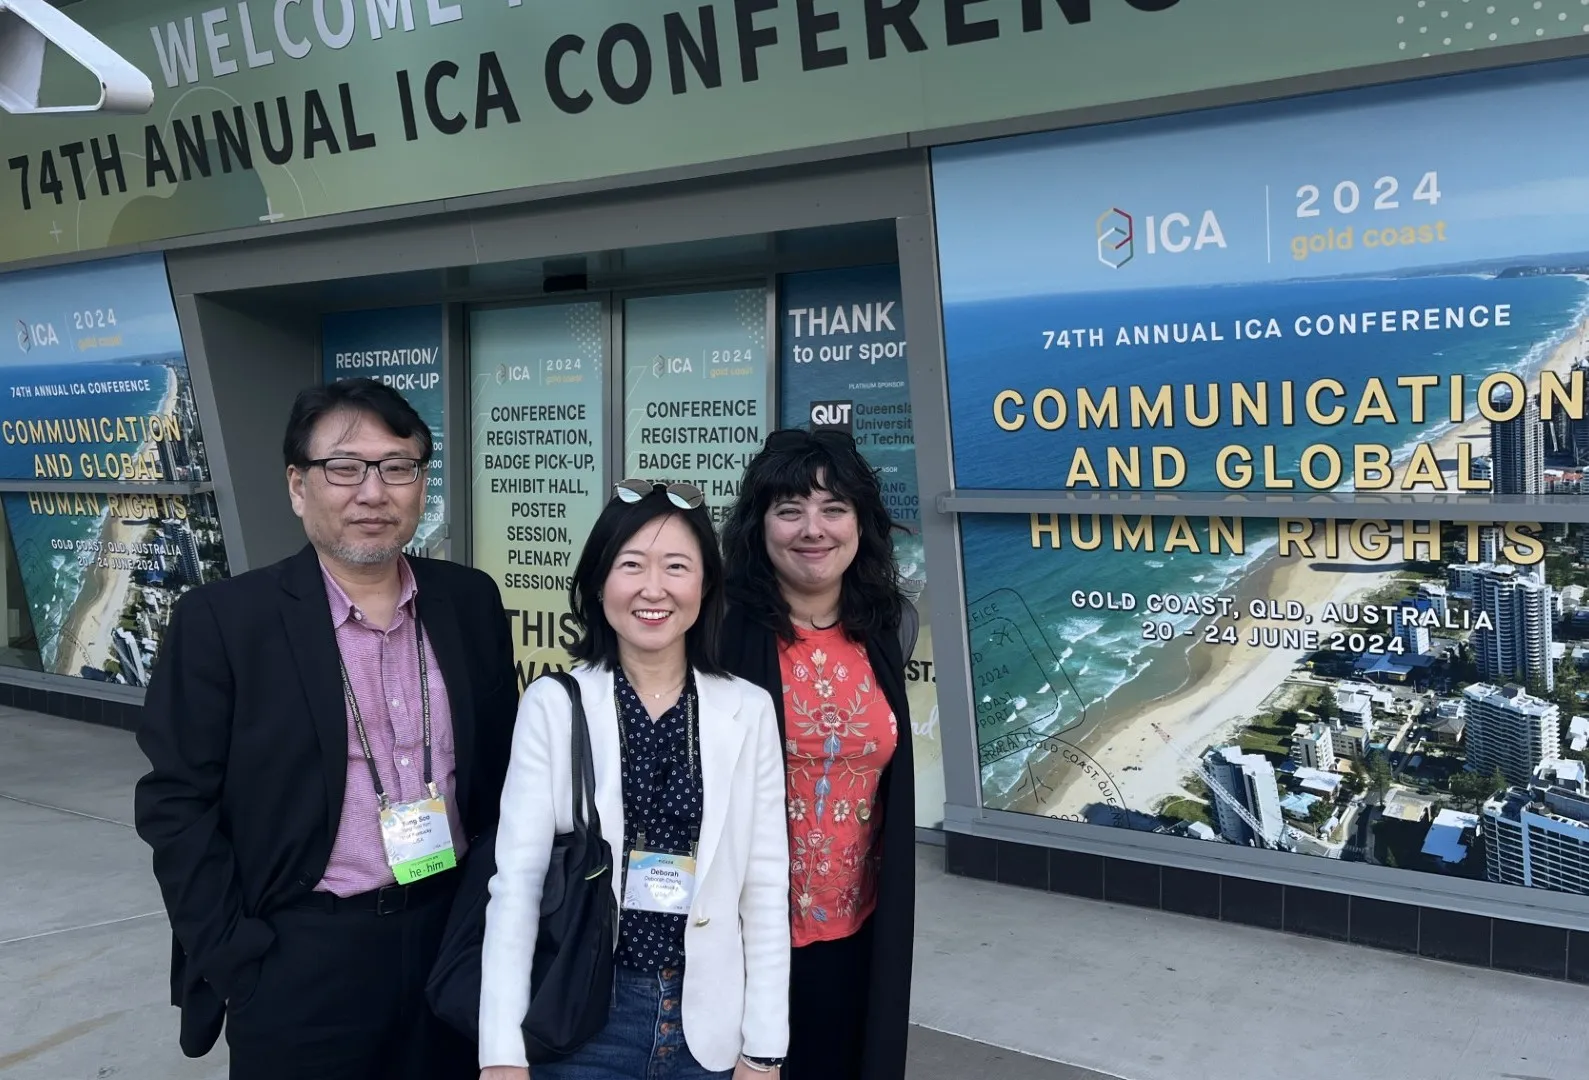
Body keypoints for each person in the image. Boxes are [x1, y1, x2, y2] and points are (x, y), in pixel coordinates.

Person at [133, 378, 519, 1080]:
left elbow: (500, 774)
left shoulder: (469, 601)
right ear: (296, 485)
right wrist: (235, 958)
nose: (372, 492)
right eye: (344, 467)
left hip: (453, 933)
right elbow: (175, 802)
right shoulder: (224, 621)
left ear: (419, 484)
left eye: (397, 467)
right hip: (302, 956)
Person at [479, 479, 790, 1080]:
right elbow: (515, 882)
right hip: (587, 1013)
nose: (654, 589)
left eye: (677, 566)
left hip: (711, 1024)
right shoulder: (554, 703)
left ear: (705, 587)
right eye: (631, 565)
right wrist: (500, 1052)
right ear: (599, 584)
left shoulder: (746, 709)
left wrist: (765, 1046)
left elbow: (765, 885)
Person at [719, 429, 916, 1080]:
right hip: (741, 942)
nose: (813, 529)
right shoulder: (717, 633)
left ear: (860, 523)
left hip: (857, 936)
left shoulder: (887, 628)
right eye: (789, 509)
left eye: (833, 508)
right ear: (759, 524)